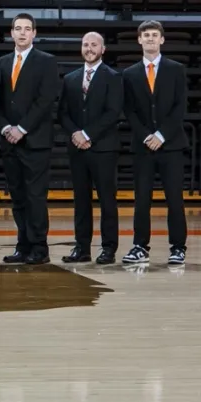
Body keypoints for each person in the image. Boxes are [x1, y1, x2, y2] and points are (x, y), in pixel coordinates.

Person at [0, 13, 60, 265]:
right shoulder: (0, 63)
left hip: (35, 141)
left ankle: (39, 248)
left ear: (34, 33)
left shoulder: (46, 61)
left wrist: (21, 128)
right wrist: (5, 128)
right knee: (18, 197)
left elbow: (45, 100)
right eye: (17, 28)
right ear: (11, 33)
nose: (22, 33)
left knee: (35, 197)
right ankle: (22, 246)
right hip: (8, 141)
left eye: (27, 29)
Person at [121, 20, 188, 265]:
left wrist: (161, 135)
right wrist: (146, 135)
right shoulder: (129, 74)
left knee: (174, 199)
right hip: (143, 146)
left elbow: (180, 107)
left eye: (154, 35)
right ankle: (140, 246)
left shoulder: (176, 69)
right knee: (142, 199)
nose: (150, 38)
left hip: (171, 145)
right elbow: (129, 110)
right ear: (139, 40)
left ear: (162, 40)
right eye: (146, 35)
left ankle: (178, 247)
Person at [58, 32, 123, 265]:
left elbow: (113, 113)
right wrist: (75, 134)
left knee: (107, 200)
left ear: (103, 49)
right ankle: (82, 248)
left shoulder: (114, 77)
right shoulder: (71, 78)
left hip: (104, 148)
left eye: (94, 44)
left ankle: (108, 249)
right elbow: (62, 113)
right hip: (77, 149)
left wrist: (87, 134)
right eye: (85, 44)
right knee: (81, 201)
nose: (89, 48)